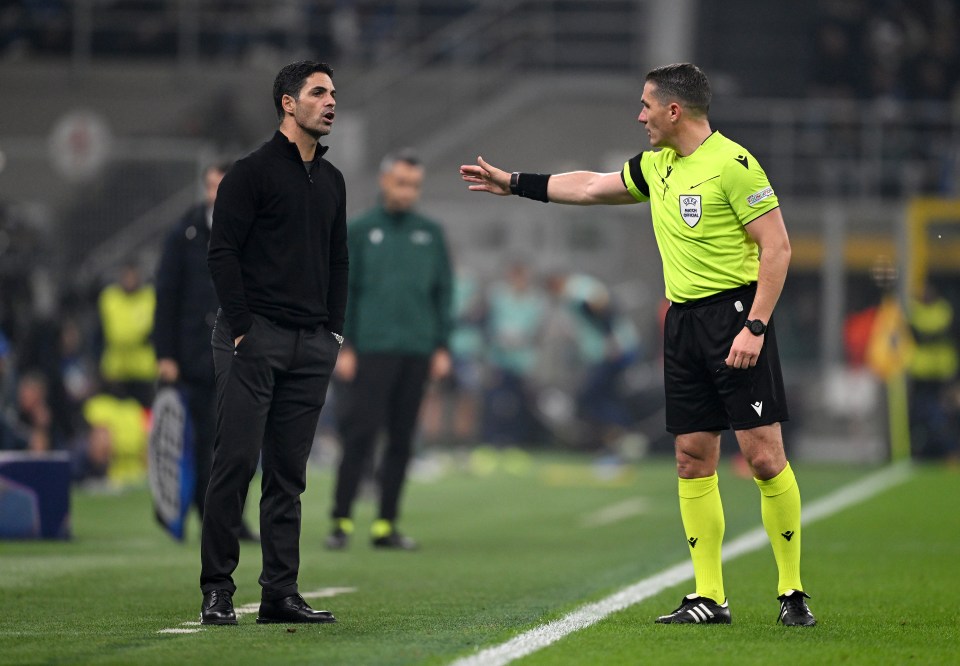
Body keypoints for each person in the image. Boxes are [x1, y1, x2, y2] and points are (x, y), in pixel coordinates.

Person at [460, 63, 816, 627]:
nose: (640, 115)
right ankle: (709, 596)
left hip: (734, 318)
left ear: (674, 110)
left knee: (764, 456)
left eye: (646, 105)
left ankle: (792, 591)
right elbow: (591, 185)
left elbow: (777, 248)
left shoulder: (734, 164)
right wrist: (516, 184)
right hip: (680, 324)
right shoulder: (658, 166)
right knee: (691, 458)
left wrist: (756, 326)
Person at [200, 60, 348, 626]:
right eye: (318, 92)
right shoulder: (250, 173)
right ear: (288, 104)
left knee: (288, 475)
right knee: (234, 465)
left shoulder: (333, 180)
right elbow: (222, 254)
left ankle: (279, 593)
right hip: (253, 339)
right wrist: (242, 328)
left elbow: (340, 260)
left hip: (311, 345)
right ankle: (217, 589)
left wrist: (333, 332)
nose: (331, 101)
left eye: (333, 93)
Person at [326, 148, 453, 552]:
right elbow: (344, 292)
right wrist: (343, 345)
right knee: (359, 436)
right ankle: (341, 522)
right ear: (384, 182)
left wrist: (441, 344)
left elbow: (443, 293)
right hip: (370, 351)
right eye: (401, 182)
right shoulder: (361, 230)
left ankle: (386, 524)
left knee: (401, 440)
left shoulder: (431, 233)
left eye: (414, 184)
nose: (407, 191)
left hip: (416, 350)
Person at [153, 162, 257, 542]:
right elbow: (166, 296)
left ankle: (231, 516)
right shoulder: (185, 233)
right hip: (195, 357)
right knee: (204, 444)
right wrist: (165, 353)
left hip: (241, 353)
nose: (217, 193)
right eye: (212, 186)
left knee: (242, 445)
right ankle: (208, 516)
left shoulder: (253, 228)